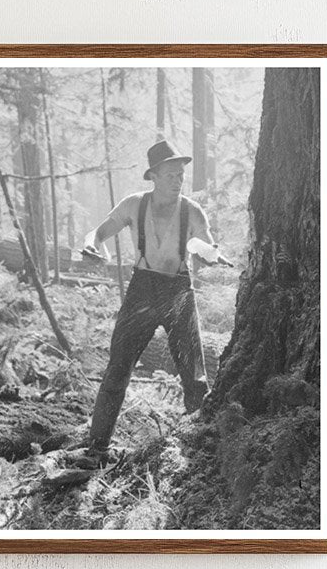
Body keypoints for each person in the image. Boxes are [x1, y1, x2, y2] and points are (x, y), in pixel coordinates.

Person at [79, 139, 227, 454]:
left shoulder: (192, 210)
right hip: (142, 291)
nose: (177, 181)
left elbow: (205, 246)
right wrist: (92, 245)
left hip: (178, 293)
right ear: (154, 176)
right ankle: (96, 446)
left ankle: (197, 448)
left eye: (181, 175)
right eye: (171, 175)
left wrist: (215, 255)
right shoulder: (134, 204)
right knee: (118, 368)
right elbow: (99, 233)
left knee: (196, 376)